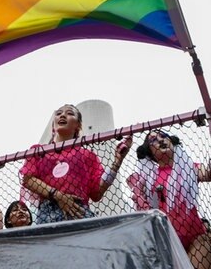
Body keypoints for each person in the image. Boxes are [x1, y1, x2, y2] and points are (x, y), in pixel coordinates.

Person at [20, 104, 131, 224]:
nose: (62, 115)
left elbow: (97, 192)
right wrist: (58, 195)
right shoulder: (39, 151)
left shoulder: (87, 155)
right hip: (48, 213)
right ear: (53, 124)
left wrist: (117, 163)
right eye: (59, 113)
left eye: (70, 113)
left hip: (78, 212)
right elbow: (28, 179)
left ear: (78, 125)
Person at [127, 130, 211, 268]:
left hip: (197, 236)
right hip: (167, 241)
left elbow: (207, 173)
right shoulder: (147, 179)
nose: (160, 140)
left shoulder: (188, 168)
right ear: (150, 153)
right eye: (153, 140)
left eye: (163, 136)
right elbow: (140, 204)